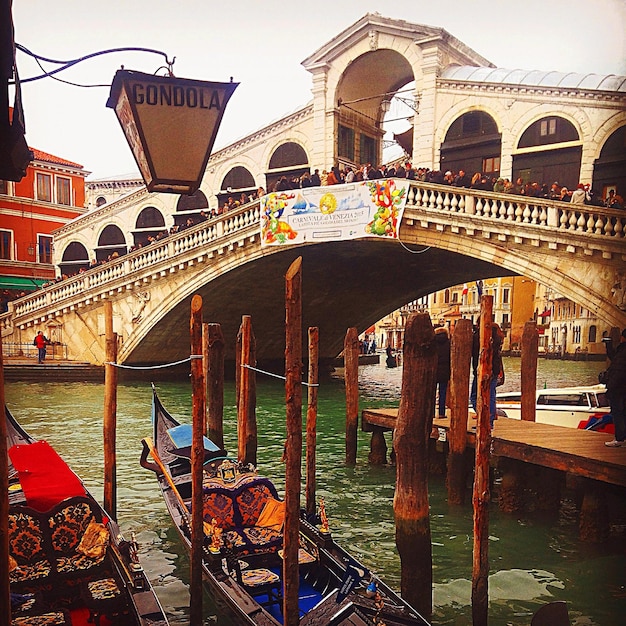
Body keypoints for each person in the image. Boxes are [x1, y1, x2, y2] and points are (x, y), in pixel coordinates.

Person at [470, 319, 504, 429]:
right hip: (493, 369)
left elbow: (473, 350)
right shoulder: (497, 336)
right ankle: (489, 420)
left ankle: (484, 419)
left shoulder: (479, 336)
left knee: (475, 396)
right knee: (491, 395)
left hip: (482, 369)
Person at [603, 329, 626, 447]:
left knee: (618, 413)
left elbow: (618, 370)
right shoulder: (621, 351)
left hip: (618, 389)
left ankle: (619, 439)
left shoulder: (623, 351)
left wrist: (610, 386)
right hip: (622, 388)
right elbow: (614, 357)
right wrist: (608, 345)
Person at [434, 326, 451, 418]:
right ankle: (441, 413)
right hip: (445, 371)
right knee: (443, 393)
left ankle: (431, 413)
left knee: (431, 393)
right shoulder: (449, 343)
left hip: (434, 370)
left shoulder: (433, 343)